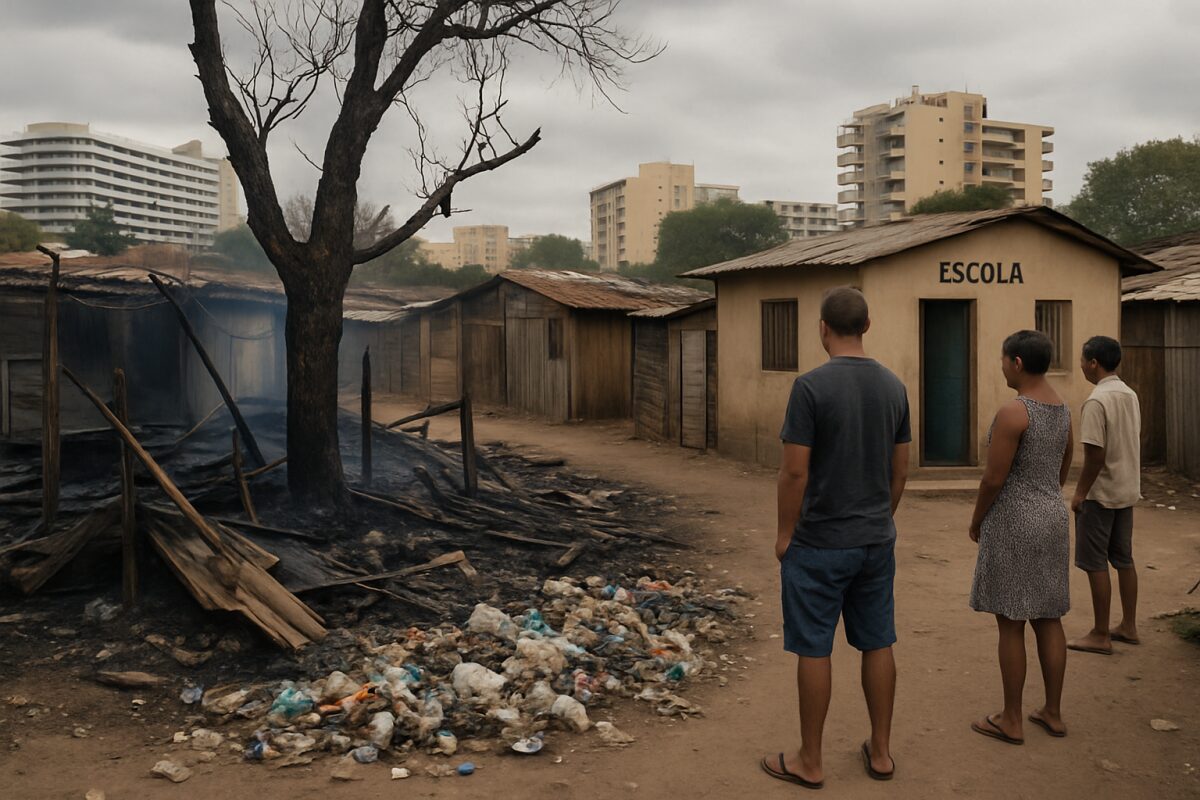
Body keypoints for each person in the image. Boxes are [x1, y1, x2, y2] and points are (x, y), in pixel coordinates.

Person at [761, 286, 910, 789]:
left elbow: (794, 473)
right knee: (878, 641)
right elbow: (900, 470)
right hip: (875, 540)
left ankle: (810, 760)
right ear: (867, 326)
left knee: (814, 647)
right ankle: (882, 753)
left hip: (819, 542)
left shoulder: (809, 388)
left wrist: (785, 534)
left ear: (822, 328)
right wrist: (880, 519)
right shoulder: (894, 387)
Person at [968, 330, 1073, 745]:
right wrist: (1044, 497)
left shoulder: (1014, 412)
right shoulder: (1063, 409)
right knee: (1049, 617)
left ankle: (1011, 718)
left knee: (1011, 623)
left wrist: (977, 520)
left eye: (1002, 359)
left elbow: (993, 478)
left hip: (1015, 520)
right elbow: (1063, 466)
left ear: (1017, 363)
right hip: (1052, 517)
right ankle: (1053, 712)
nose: (1001, 366)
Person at [1067, 335, 1142, 655]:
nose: (1081, 366)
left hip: (1101, 494)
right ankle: (1128, 625)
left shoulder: (1096, 401)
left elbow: (1095, 455)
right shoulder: (1129, 394)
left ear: (1094, 363)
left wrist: (1080, 494)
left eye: (1083, 361)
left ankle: (1100, 634)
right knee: (1123, 559)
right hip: (1126, 489)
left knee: (1095, 562)